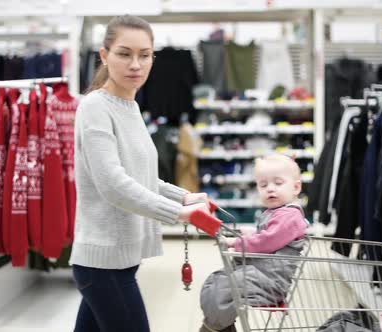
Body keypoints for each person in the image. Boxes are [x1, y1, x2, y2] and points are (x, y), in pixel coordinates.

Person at [70, 15, 211, 332]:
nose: (136, 64)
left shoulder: (129, 106)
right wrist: (179, 213)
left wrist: (183, 195)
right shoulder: (95, 107)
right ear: (105, 56)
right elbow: (113, 184)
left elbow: (137, 173)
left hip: (119, 258)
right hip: (102, 261)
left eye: (144, 55)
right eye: (124, 53)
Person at [199, 154, 309, 332]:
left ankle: (213, 328)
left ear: (296, 187)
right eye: (263, 185)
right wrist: (249, 232)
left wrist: (236, 242)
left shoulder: (290, 216)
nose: (270, 189)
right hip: (260, 274)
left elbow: (267, 241)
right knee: (215, 282)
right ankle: (219, 326)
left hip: (271, 280)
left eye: (278, 183)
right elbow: (270, 236)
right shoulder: (276, 212)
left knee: (225, 288)